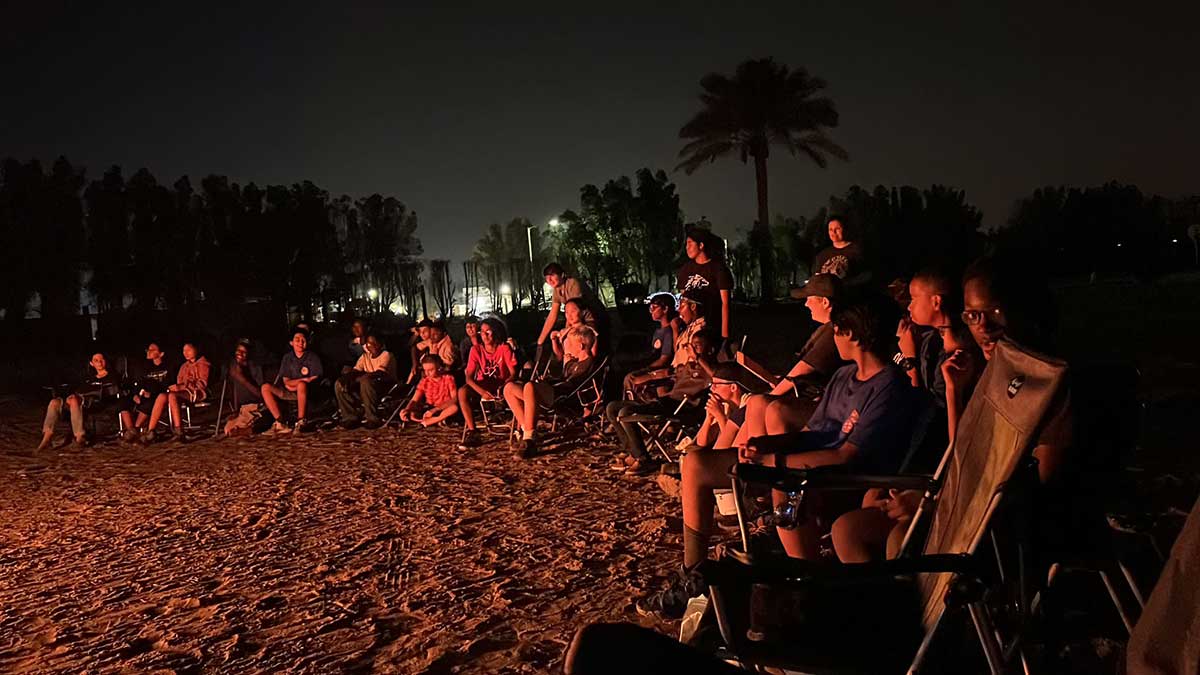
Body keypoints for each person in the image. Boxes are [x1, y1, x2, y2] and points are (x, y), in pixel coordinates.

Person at [637, 291, 917, 619]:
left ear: (851, 334)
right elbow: (814, 433)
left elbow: (846, 456)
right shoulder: (844, 377)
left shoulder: (888, 387)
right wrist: (768, 446)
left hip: (838, 478)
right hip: (802, 463)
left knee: (780, 482)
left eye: (837, 330)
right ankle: (693, 574)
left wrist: (773, 463)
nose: (834, 337)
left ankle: (804, 583)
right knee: (696, 463)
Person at [735, 273, 845, 445]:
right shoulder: (824, 330)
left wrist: (776, 392)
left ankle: (756, 459)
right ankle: (745, 458)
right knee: (756, 403)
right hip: (806, 393)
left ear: (825, 302)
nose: (806, 304)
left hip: (820, 402)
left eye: (809, 299)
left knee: (760, 403)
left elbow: (805, 367)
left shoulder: (833, 332)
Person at [605, 329, 719, 476]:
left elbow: (716, 377)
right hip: (665, 403)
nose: (692, 349)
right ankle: (634, 453)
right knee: (612, 408)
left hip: (680, 409)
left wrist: (698, 358)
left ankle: (643, 459)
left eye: (697, 346)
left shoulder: (711, 370)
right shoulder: (688, 367)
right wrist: (649, 379)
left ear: (710, 350)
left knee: (626, 413)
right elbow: (669, 374)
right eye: (692, 345)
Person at [505, 325, 597, 459]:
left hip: (564, 399)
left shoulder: (588, 364)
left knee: (530, 387)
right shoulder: (573, 363)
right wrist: (547, 380)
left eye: (569, 344)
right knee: (509, 388)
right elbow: (562, 379)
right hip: (556, 392)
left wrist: (547, 384)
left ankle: (529, 440)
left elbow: (572, 385)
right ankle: (527, 431)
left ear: (581, 346)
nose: (566, 347)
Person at [625, 289, 708, 400]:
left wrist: (651, 373)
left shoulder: (700, 332)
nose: (678, 310)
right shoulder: (688, 328)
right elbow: (677, 352)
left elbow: (688, 364)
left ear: (693, 307)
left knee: (635, 380)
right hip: (673, 370)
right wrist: (675, 331)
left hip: (679, 375)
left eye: (682, 306)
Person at [38, 352, 128, 450]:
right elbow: (79, 390)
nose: (99, 362)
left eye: (101, 360)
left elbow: (112, 391)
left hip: (95, 401)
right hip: (78, 400)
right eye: (96, 360)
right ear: (91, 364)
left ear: (105, 361)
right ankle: (47, 437)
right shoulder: (89, 378)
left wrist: (79, 396)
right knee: (54, 402)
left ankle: (80, 437)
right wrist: (71, 396)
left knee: (74, 400)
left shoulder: (112, 376)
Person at [458, 317, 518, 449]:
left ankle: (519, 430)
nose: (484, 335)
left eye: (488, 332)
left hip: (500, 385)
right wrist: (481, 392)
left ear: (496, 332)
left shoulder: (504, 348)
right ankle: (473, 431)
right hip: (482, 385)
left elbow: (513, 372)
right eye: (482, 332)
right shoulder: (476, 350)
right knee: (462, 392)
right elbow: (469, 377)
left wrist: (504, 385)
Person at [536, 263, 608, 361]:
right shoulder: (557, 290)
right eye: (547, 278)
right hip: (578, 321)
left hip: (593, 319)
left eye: (552, 275)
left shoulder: (573, 284)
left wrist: (566, 331)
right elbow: (552, 315)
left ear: (562, 275)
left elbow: (574, 310)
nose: (549, 280)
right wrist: (540, 341)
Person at [142, 342, 210, 443]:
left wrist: (182, 386)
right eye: (184, 350)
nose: (185, 353)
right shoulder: (184, 366)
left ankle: (179, 431)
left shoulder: (203, 364)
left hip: (197, 393)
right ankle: (151, 431)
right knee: (162, 396)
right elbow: (179, 381)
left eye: (189, 350)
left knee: (172, 396)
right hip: (183, 392)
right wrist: (177, 387)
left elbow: (202, 384)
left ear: (196, 350)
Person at [261, 328, 324, 434]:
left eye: (303, 340)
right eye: (297, 340)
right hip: (290, 390)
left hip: (307, 390)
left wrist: (299, 383)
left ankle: (301, 420)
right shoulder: (287, 358)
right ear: (291, 343)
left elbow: (314, 378)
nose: (300, 342)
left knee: (301, 385)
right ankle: (280, 422)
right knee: (265, 387)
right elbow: (286, 381)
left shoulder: (312, 357)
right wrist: (300, 381)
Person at [620, 293, 683, 398]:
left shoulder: (668, 332)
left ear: (665, 309)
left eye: (654, 307)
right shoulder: (658, 330)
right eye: (650, 307)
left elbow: (664, 359)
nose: (651, 311)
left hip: (660, 368)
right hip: (652, 364)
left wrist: (647, 368)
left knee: (630, 378)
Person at [677, 227, 733, 344]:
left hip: (711, 326)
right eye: (686, 244)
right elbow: (684, 301)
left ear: (701, 245)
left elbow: (725, 304)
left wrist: (725, 335)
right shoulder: (685, 270)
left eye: (690, 243)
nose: (687, 248)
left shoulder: (718, 269)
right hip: (691, 328)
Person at [335, 333, 397, 429]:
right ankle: (350, 417)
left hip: (384, 386)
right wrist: (346, 378)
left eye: (374, 343)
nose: (372, 345)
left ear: (380, 344)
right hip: (366, 385)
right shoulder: (365, 357)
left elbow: (380, 373)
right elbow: (356, 370)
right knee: (340, 383)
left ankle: (372, 418)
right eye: (369, 343)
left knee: (366, 381)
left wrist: (361, 377)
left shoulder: (387, 355)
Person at [126, 341, 175, 440]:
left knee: (150, 401)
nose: (148, 351)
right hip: (147, 395)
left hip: (162, 395)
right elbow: (140, 383)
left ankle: (137, 428)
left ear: (161, 354)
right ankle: (133, 429)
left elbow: (170, 384)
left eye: (152, 350)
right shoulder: (146, 368)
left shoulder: (169, 367)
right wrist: (136, 394)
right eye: (148, 349)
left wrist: (152, 392)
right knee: (128, 401)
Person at [399, 354, 460, 426]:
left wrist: (436, 409)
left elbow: (455, 399)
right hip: (429, 408)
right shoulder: (425, 381)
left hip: (443, 408)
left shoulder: (448, 378)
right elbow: (415, 399)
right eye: (425, 370)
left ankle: (430, 421)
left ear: (439, 368)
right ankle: (436, 420)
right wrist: (407, 409)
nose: (427, 373)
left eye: (431, 370)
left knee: (454, 408)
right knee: (412, 412)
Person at [223, 339, 265, 437]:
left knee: (252, 422)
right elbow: (234, 392)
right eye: (238, 350)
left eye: (244, 352)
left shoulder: (254, 367)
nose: (240, 354)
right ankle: (243, 428)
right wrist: (235, 411)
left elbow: (261, 394)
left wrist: (242, 379)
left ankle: (246, 429)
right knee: (227, 428)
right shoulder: (234, 367)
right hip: (243, 408)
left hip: (254, 406)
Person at [811, 214, 865, 281]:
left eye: (837, 228)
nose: (833, 232)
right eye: (830, 229)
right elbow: (816, 279)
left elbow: (866, 275)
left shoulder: (856, 250)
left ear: (844, 229)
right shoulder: (822, 255)